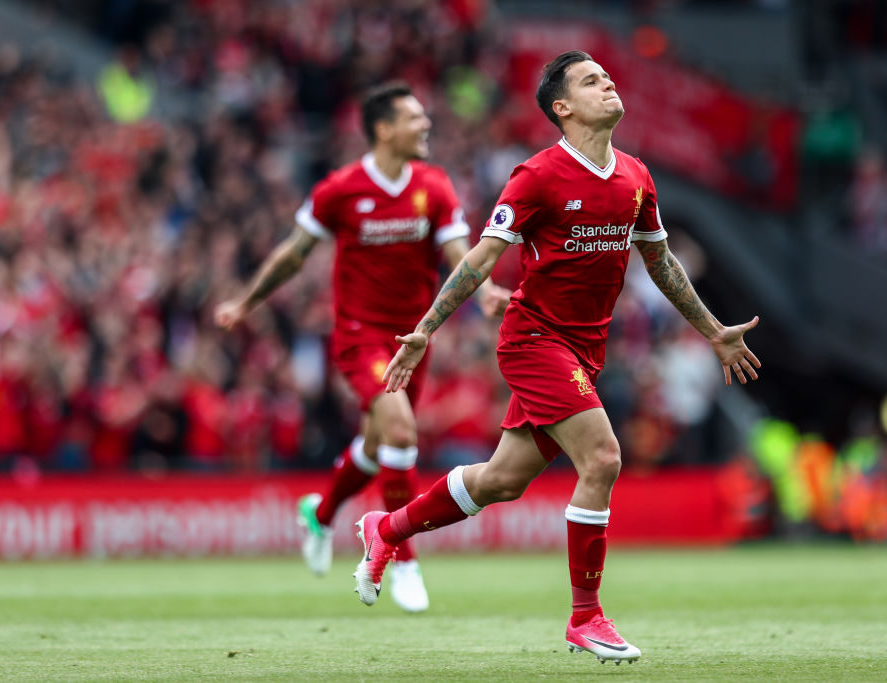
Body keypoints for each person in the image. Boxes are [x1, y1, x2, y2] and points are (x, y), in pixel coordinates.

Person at [353, 52, 761, 663]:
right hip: (533, 342)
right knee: (603, 456)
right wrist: (426, 329)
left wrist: (710, 330)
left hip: (584, 350)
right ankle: (585, 617)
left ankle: (385, 529)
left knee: (501, 480)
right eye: (592, 81)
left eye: (606, 76)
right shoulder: (537, 176)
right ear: (562, 108)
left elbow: (662, 264)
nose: (608, 84)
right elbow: (481, 258)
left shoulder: (636, 178)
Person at [214, 82, 509, 612]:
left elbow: (457, 250)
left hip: (413, 340)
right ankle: (401, 559)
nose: (426, 125)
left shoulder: (433, 185)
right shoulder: (340, 189)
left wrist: (485, 290)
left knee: (378, 449)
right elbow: (294, 253)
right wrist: (246, 302)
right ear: (383, 128)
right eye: (414, 118)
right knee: (400, 430)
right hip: (359, 336)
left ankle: (321, 515)